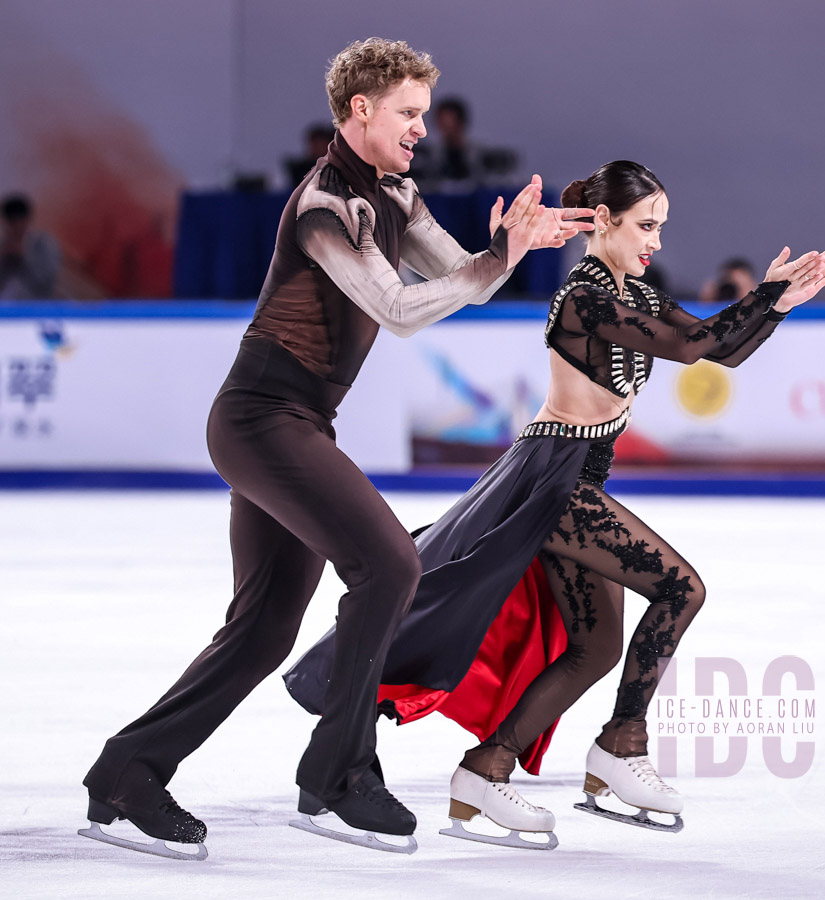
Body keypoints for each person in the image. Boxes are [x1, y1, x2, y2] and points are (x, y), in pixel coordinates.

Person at [78, 37, 593, 860]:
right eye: (408, 113)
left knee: (263, 629)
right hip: (261, 418)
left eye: (424, 113)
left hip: (298, 422)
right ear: (360, 109)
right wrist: (496, 259)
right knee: (389, 566)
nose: (420, 128)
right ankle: (338, 774)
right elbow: (398, 309)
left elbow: (461, 278)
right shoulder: (326, 206)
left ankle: (126, 773)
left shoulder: (395, 193)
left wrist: (516, 247)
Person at [285, 160, 825, 848]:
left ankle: (486, 770)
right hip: (554, 478)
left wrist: (776, 305)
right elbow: (692, 344)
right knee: (680, 588)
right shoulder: (585, 297)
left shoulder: (632, 291)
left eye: (660, 227)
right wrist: (762, 296)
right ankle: (621, 744)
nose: (655, 241)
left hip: (579, 478)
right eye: (646, 225)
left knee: (595, 646)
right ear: (603, 221)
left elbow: (718, 352)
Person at [409, 96, 518, 192]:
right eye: (442, 123)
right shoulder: (431, 155)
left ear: (461, 122)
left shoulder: (480, 154)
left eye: (450, 123)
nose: (446, 128)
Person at [0, 193, 61, 299]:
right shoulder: (3, 243)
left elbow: (48, 278)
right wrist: (4, 258)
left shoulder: (43, 244)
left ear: (27, 219)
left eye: (19, 220)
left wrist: (23, 257)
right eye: (12, 221)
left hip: (35, 304)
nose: (16, 225)